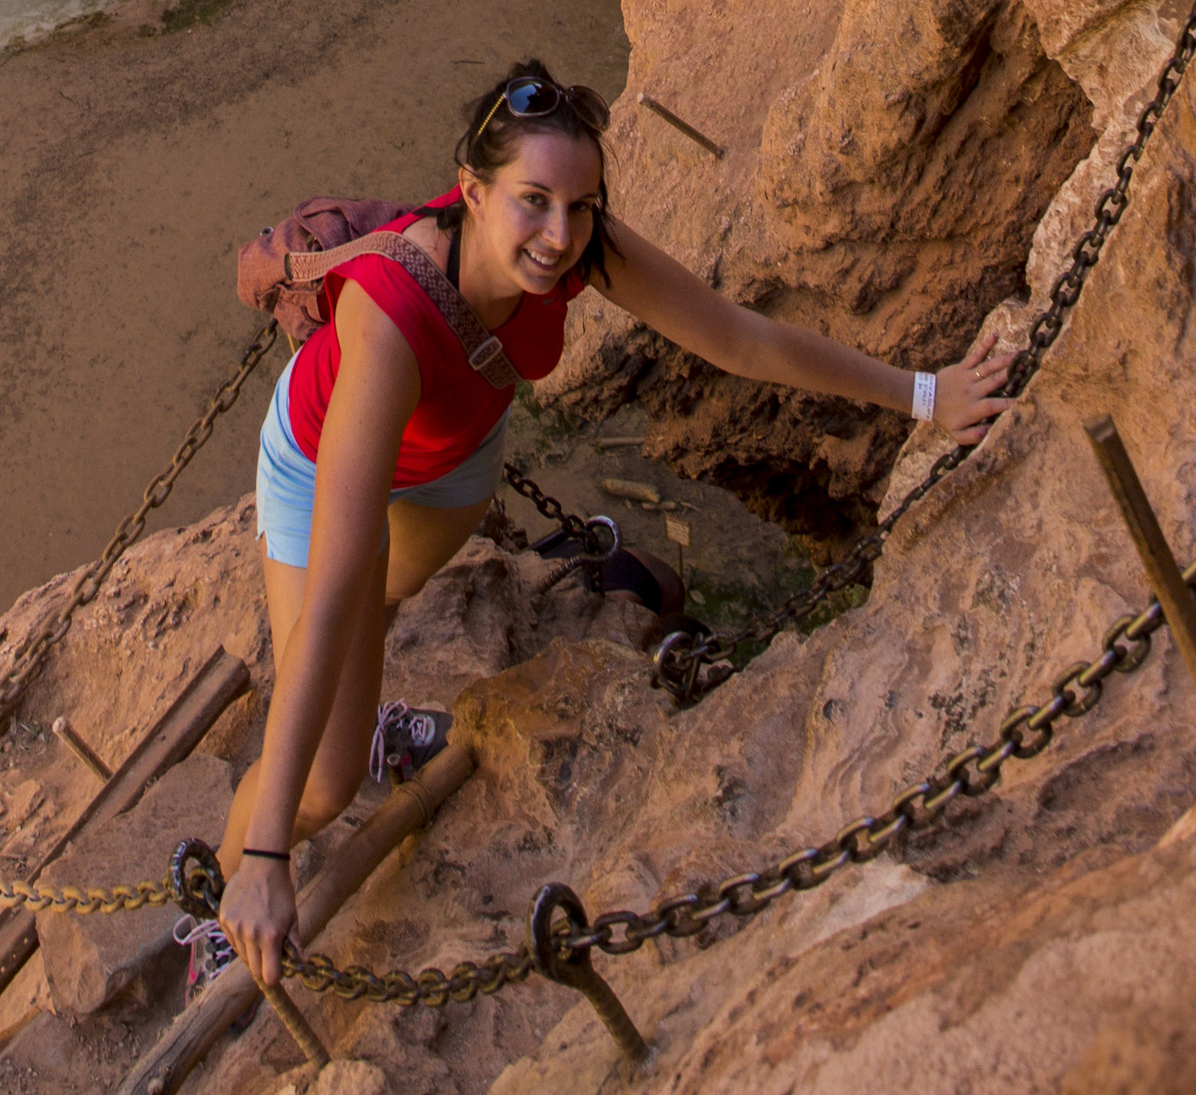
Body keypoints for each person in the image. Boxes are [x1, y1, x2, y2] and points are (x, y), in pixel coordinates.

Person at [188, 59, 1013, 999]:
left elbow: (737, 337)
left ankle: (356, 717)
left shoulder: (578, 244)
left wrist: (924, 395)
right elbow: (334, 579)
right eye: (533, 200)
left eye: (580, 206)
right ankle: (221, 888)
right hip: (317, 465)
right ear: (472, 189)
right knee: (325, 781)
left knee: (377, 607)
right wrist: (267, 856)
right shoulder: (388, 314)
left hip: (451, 459)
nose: (558, 235)